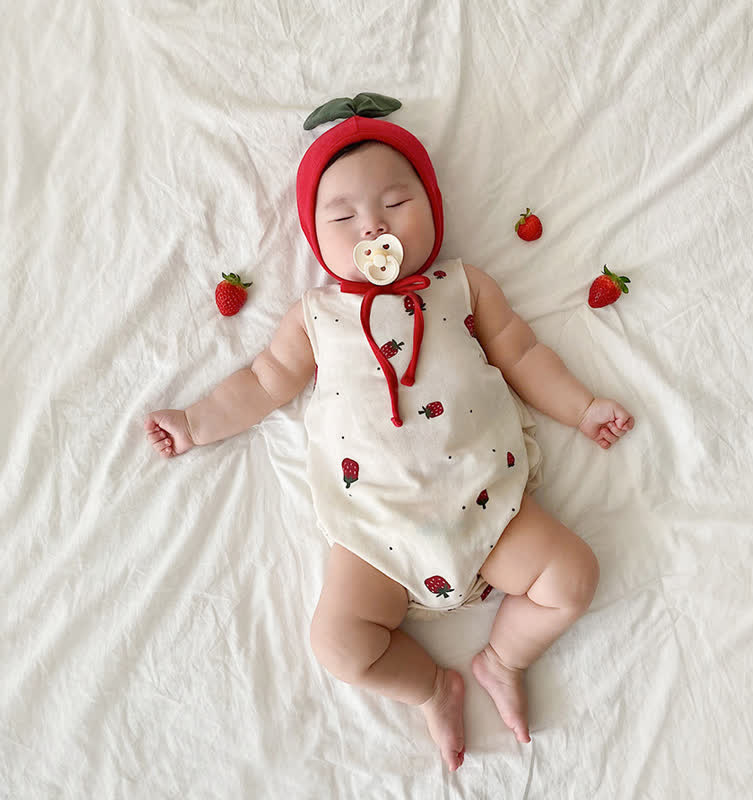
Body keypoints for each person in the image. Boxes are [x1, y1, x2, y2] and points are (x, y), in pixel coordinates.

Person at [144, 100, 635, 772]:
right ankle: (432, 687)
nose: (372, 224)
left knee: (573, 577)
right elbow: (262, 384)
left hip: (489, 507)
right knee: (340, 645)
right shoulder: (315, 316)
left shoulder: (464, 287)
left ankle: (502, 657)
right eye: (344, 217)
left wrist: (581, 408)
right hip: (376, 533)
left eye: (396, 201)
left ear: (432, 208)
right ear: (318, 240)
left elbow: (522, 356)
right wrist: (195, 423)